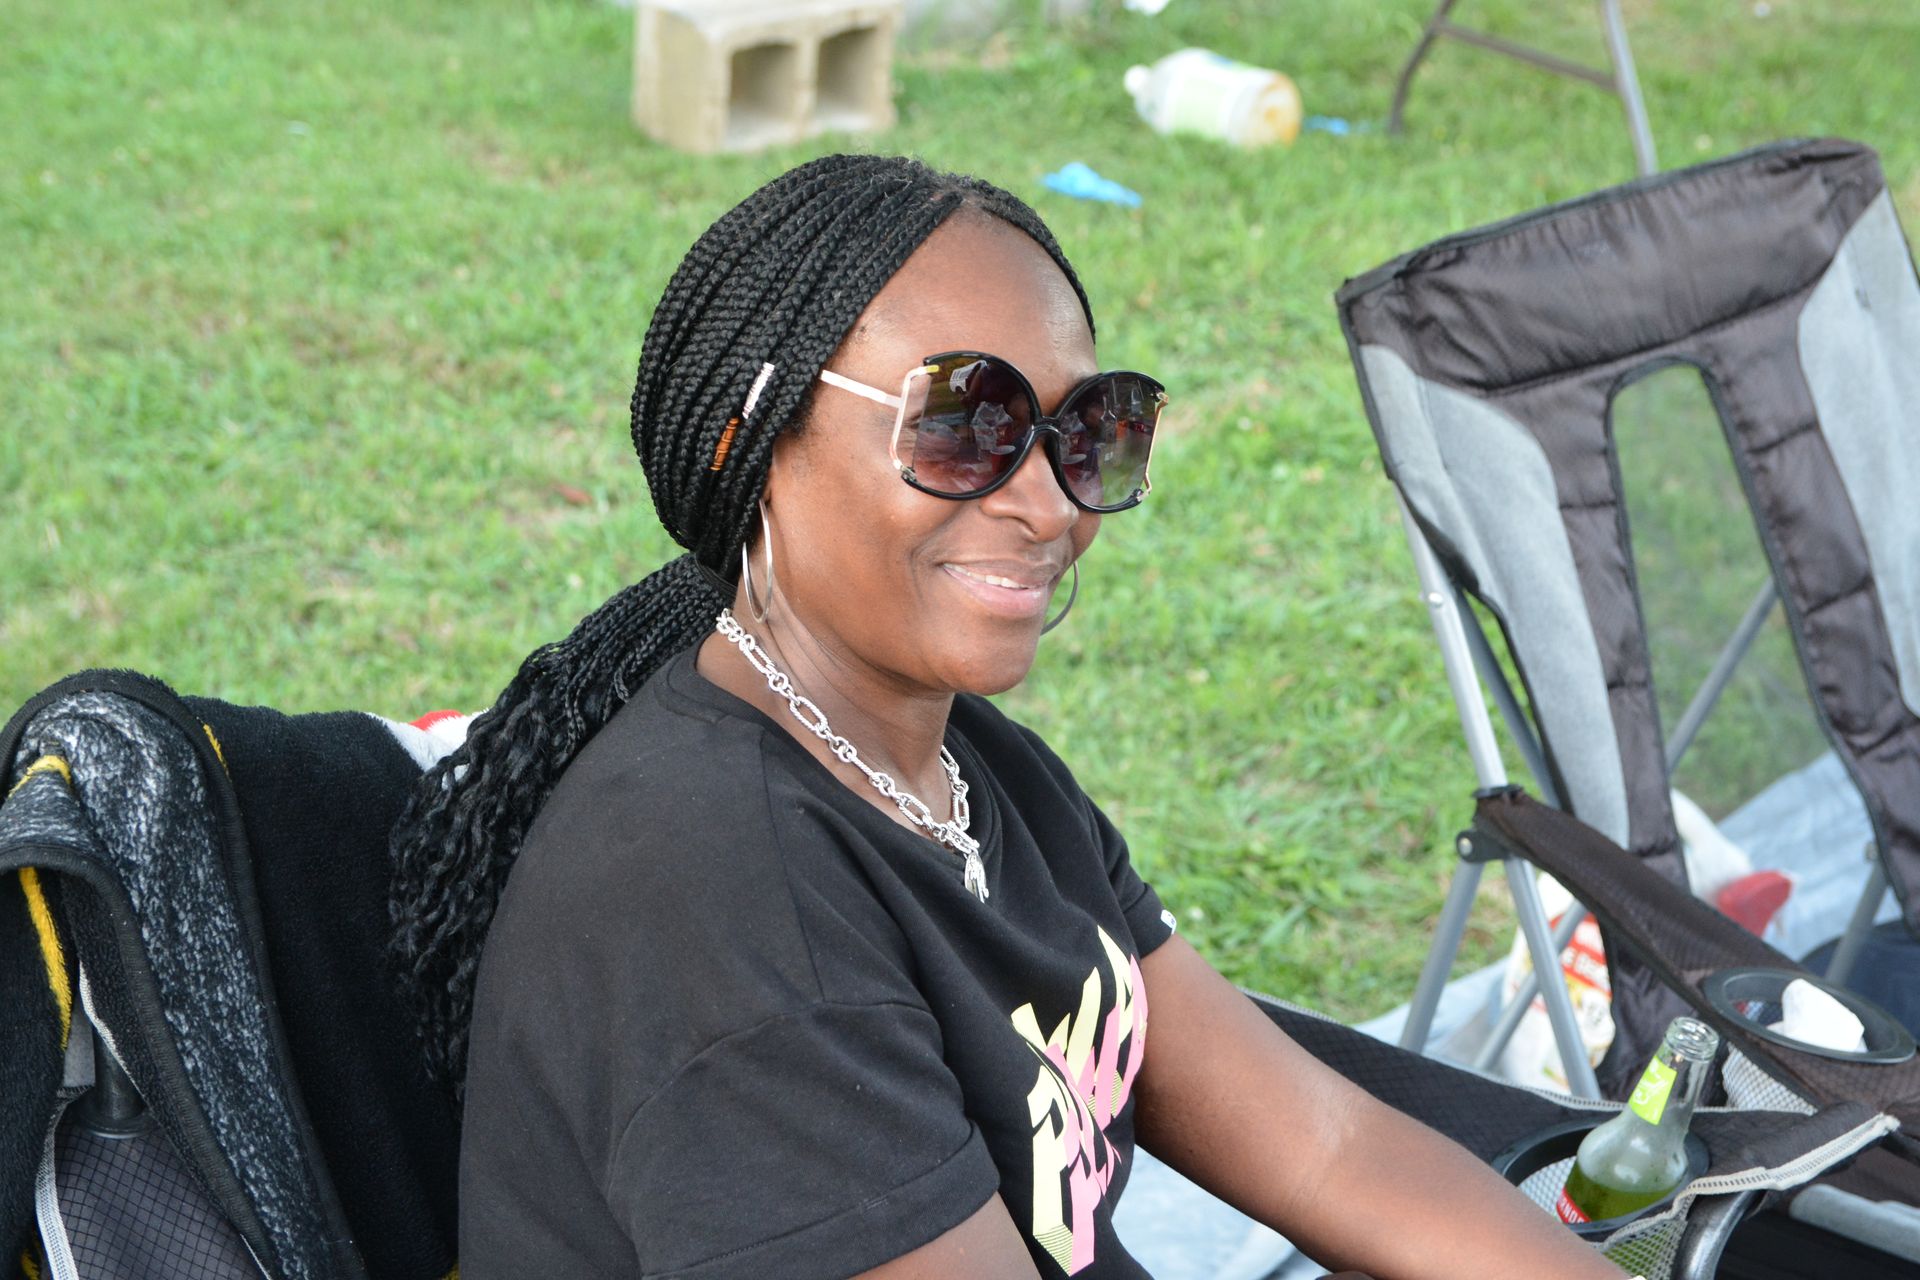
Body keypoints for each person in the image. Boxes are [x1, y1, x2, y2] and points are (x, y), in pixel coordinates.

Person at [387, 154, 1629, 1280]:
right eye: (959, 426)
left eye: (1087, 429)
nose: (1047, 504)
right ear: (746, 443)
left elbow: (1327, 1143)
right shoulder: (724, 905)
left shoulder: (973, 770)